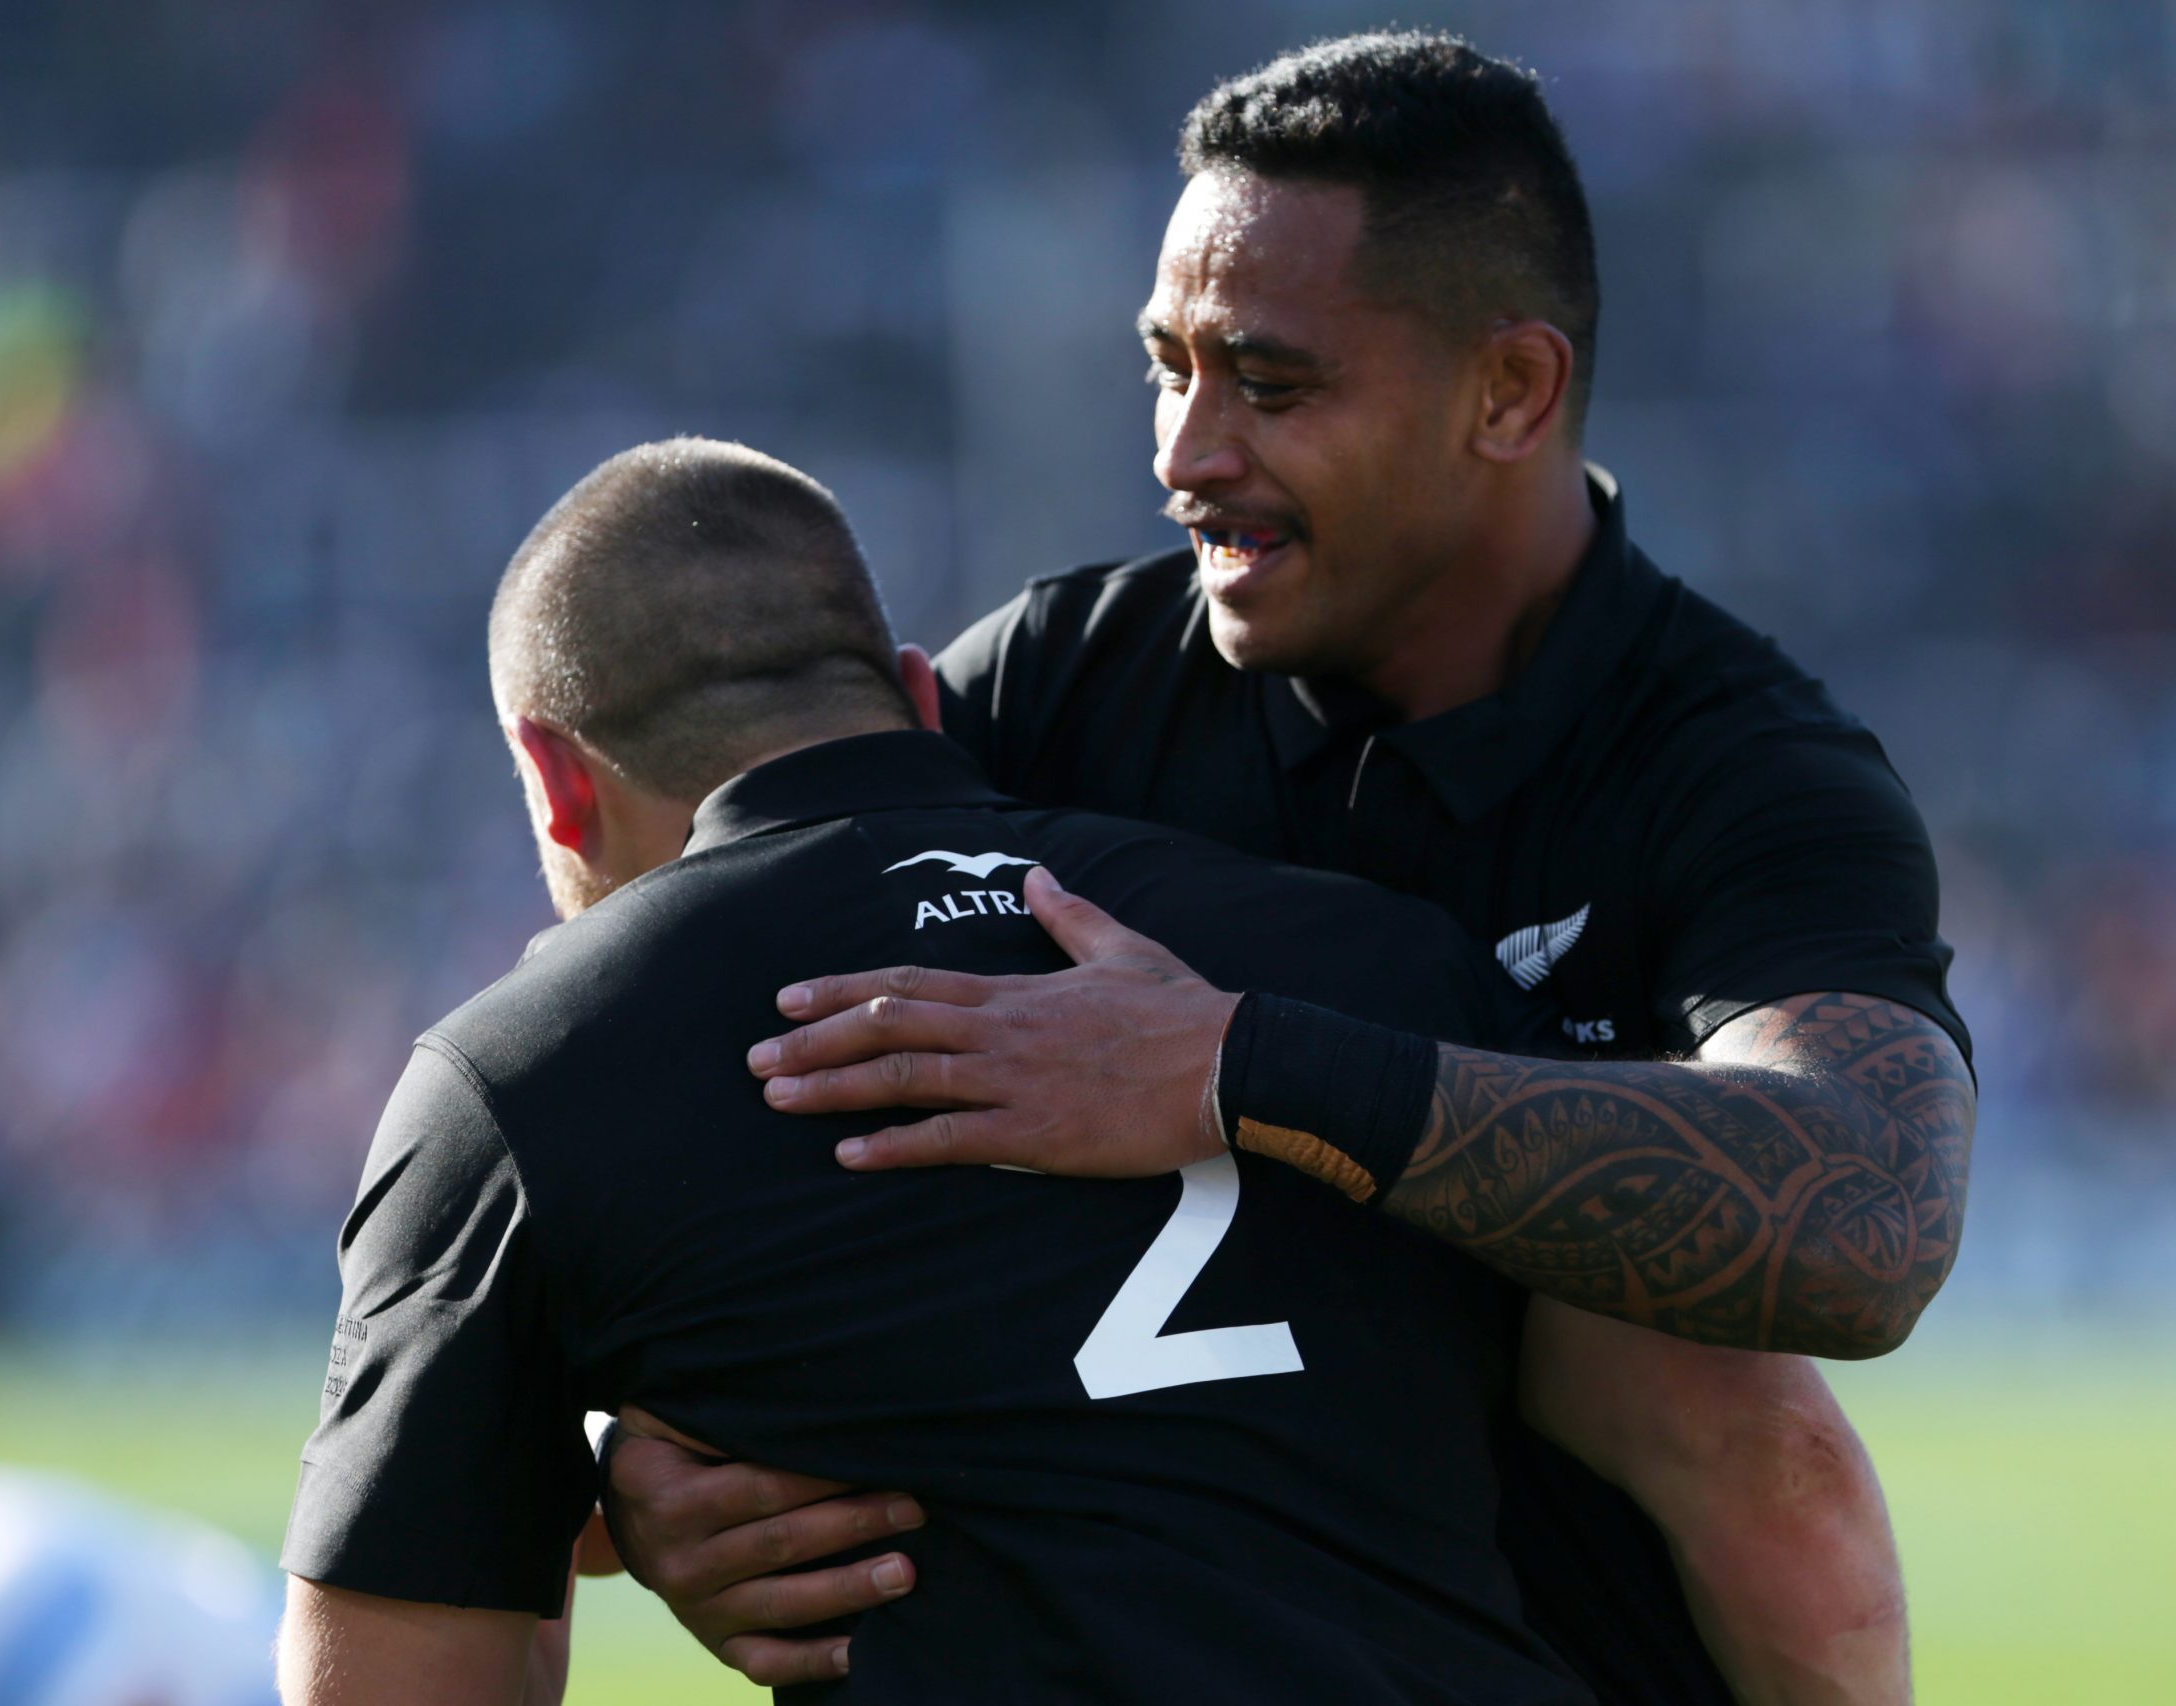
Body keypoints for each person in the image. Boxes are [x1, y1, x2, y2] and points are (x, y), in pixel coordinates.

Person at [610, 31, 1975, 1706]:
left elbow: (1867, 1210)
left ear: (1512, 391)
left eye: (1269, 383)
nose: (1187, 452)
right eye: (1166, 369)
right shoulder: (1052, 688)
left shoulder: (1741, 771)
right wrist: (632, 1452)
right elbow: (681, 1037)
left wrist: (1242, 1073)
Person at [275, 437, 1646, 1704]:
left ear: (554, 779)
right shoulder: (1386, 953)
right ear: (923, 696)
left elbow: (392, 1678)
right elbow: (1762, 1467)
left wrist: (566, 1487)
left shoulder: (533, 1068)